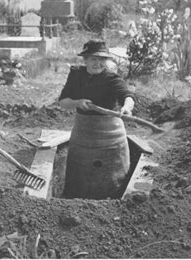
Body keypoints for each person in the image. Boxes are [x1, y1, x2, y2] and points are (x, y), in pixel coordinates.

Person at [58, 39, 135, 199]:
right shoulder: (76, 75)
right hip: (83, 133)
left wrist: (127, 107)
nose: (98, 63)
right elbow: (63, 102)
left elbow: (127, 96)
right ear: (85, 60)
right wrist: (77, 102)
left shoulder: (112, 79)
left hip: (110, 136)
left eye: (102, 59)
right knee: (80, 181)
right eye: (94, 59)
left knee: (111, 182)